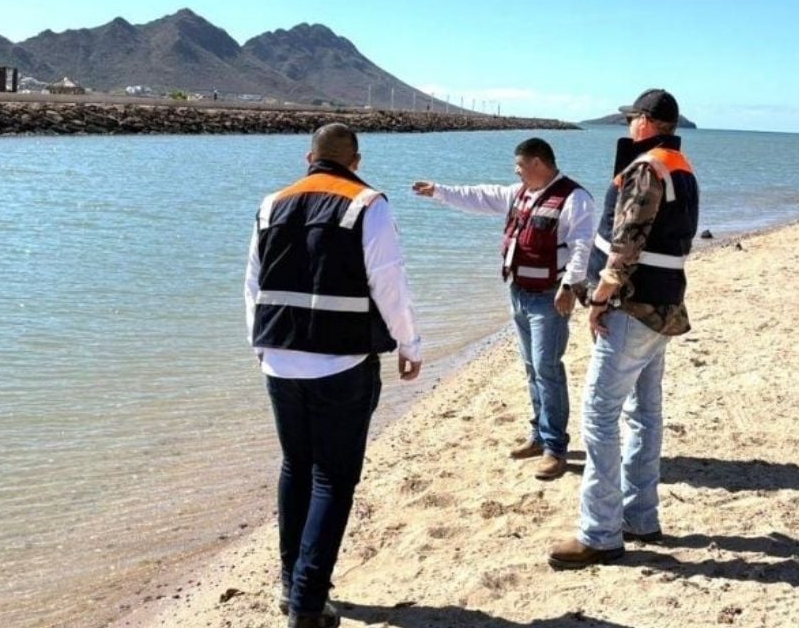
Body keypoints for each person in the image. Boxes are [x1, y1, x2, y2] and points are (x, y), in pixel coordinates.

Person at [245, 123, 422, 628]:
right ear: (356, 160)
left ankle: (289, 584)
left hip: (280, 358)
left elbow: (252, 286)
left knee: (296, 467)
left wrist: (260, 347)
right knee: (332, 478)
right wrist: (409, 344)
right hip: (341, 362)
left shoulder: (270, 203)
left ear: (309, 157)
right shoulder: (367, 204)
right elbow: (389, 281)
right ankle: (306, 603)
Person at [548, 89, 698, 569]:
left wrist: (601, 296)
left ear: (649, 122)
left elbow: (627, 239)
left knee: (600, 414)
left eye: (633, 117)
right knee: (645, 413)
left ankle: (600, 533)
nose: (629, 124)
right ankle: (640, 516)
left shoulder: (648, 167)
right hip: (663, 305)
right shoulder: (681, 166)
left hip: (632, 307)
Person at [412, 138, 595, 480]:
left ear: (538, 163)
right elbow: (480, 196)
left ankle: (555, 448)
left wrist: (570, 286)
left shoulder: (575, 198)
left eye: (520, 166)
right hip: (519, 292)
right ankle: (539, 436)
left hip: (550, 296)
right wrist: (439, 191)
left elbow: (583, 246)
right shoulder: (520, 193)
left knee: (546, 367)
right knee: (530, 367)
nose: (516, 172)